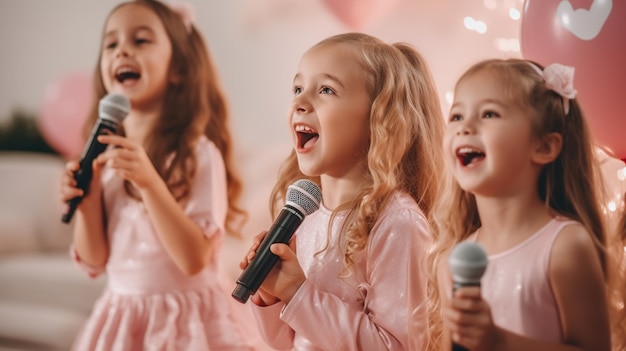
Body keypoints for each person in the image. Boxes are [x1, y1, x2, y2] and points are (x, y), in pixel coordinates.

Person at [59, 1, 257, 349]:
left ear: (178, 67)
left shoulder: (197, 154)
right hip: (123, 316)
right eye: (111, 44)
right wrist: (88, 206)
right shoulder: (106, 159)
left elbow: (193, 259)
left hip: (189, 322)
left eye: (140, 41)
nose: (122, 50)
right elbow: (94, 262)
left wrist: (150, 183)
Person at [239, 32, 445, 350]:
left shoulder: (396, 222)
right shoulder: (306, 215)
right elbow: (290, 343)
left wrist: (298, 292)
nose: (299, 102)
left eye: (326, 90)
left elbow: (396, 346)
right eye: (297, 88)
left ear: (379, 119)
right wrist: (272, 293)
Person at [425, 58, 626, 351]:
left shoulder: (565, 245)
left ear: (543, 147)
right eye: (456, 116)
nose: (465, 127)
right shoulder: (454, 262)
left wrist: (499, 341)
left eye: (489, 114)